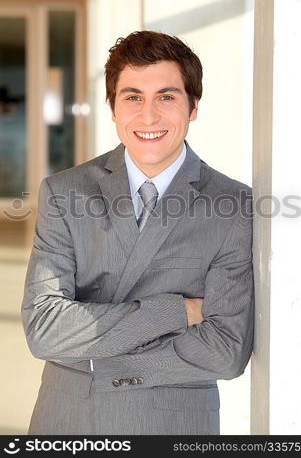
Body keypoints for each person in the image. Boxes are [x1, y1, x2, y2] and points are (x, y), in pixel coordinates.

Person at [21, 30, 254, 435]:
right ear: (113, 108)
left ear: (193, 106)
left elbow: (225, 352)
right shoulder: (64, 192)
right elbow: (44, 330)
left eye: (166, 96)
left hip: (175, 426)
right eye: (133, 98)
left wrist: (94, 362)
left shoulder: (233, 205)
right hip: (69, 420)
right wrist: (178, 310)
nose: (148, 117)